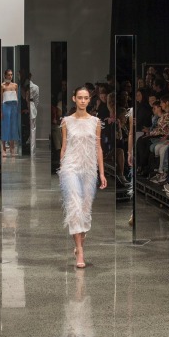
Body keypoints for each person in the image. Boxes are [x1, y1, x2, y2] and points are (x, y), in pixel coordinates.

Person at [59, 86, 107, 269]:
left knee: (85, 210)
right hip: (70, 168)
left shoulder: (96, 122)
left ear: (89, 100)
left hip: (89, 169)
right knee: (75, 207)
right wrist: (61, 167)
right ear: (74, 99)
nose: (82, 101)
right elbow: (64, 146)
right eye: (79, 97)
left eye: (86, 98)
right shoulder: (66, 121)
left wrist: (101, 173)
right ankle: (80, 250)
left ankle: (80, 238)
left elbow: (98, 148)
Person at [1, 69, 20, 156]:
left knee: (13, 126)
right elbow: (1, 100)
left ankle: (12, 147)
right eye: (8, 75)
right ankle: (3, 147)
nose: (10, 76)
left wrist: (17, 108)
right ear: (5, 75)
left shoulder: (15, 85)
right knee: (5, 126)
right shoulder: (2, 86)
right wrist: (1, 111)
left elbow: (17, 98)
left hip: (14, 107)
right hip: (6, 106)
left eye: (11, 75)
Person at [29, 75, 40, 156]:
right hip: (32, 107)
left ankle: (32, 149)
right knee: (32, 129)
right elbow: (37, 100)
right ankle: (32, 149)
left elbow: (37, 100)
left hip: (31, 107)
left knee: (32, 129)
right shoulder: (35, 87)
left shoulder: (35, 87)